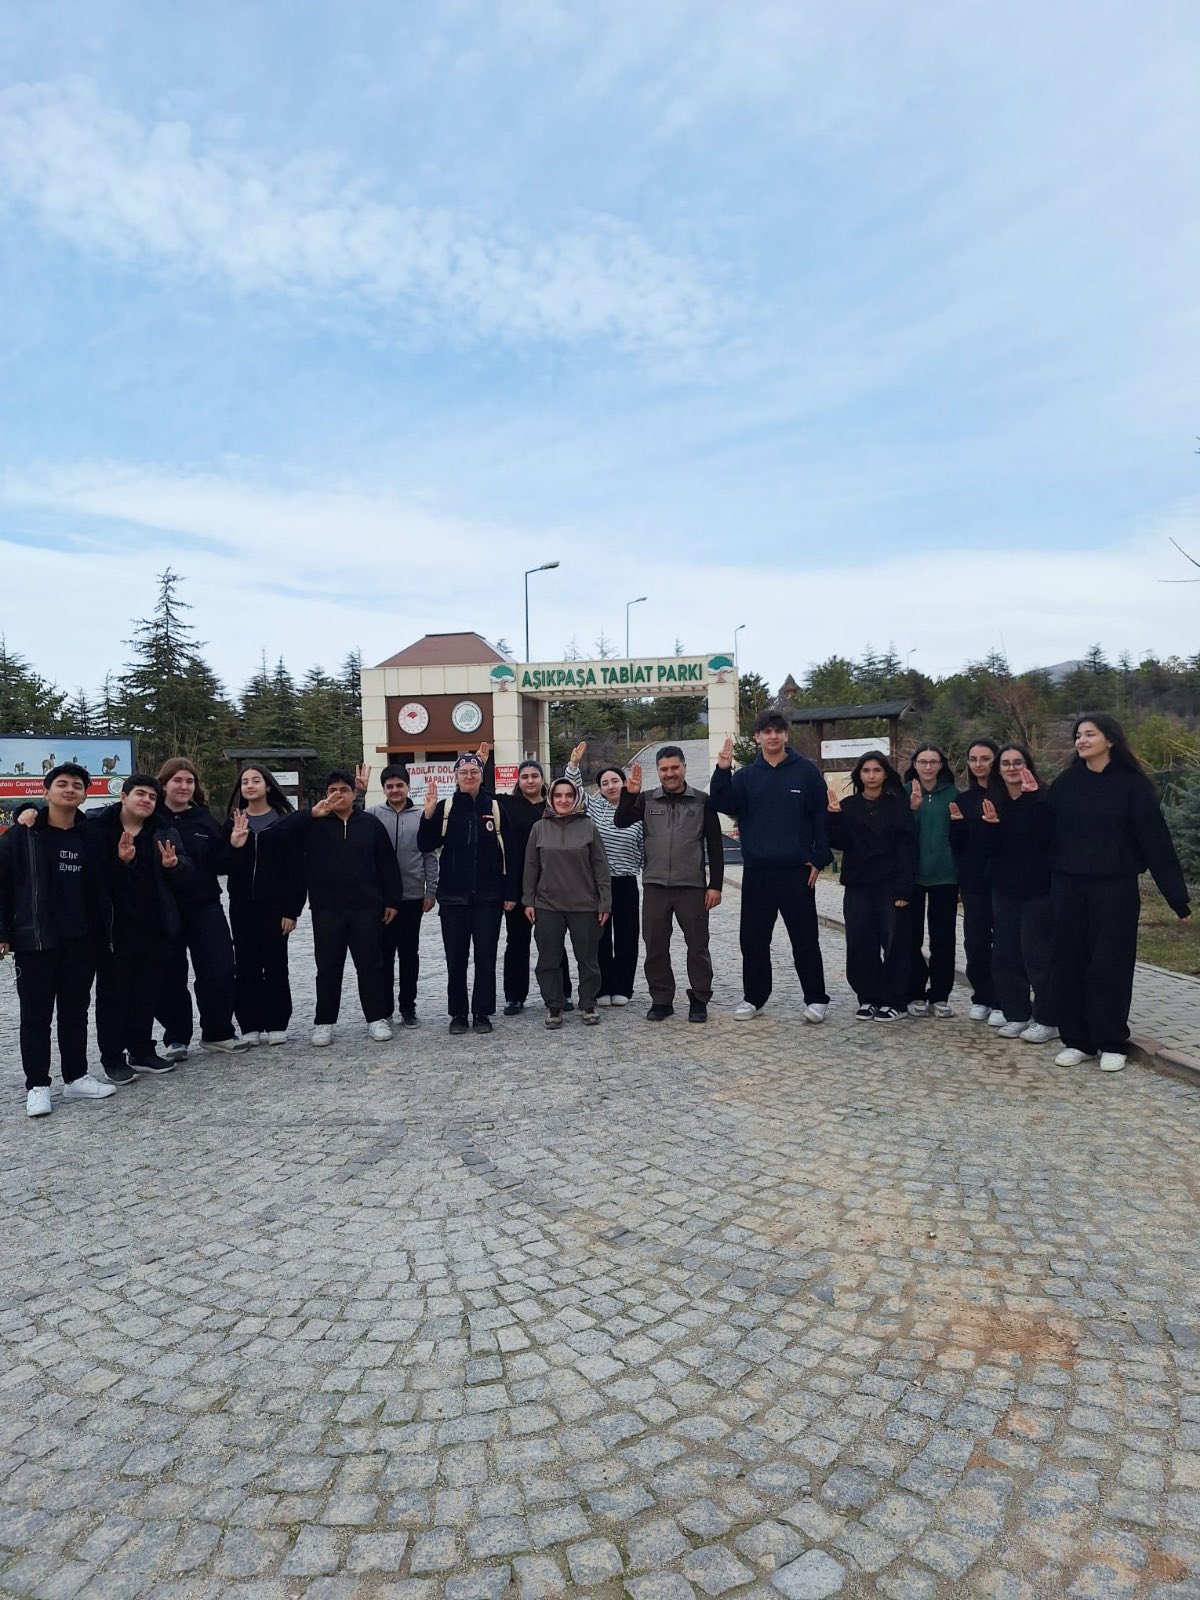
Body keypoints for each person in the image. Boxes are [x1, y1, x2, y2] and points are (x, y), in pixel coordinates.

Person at [1047, 713, 1191, 1073]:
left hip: (1115, 889)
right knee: (1070, 961)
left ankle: (1111, 1040)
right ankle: (1077, 1040)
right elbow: (1044, 837)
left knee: (1109, 963)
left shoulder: (1133, 786)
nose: (1081, 740)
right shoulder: (1065, 785)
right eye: (1078, 735)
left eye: (1089, 734)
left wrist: (1176, 896)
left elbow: (1155, 842)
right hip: (1068, 886)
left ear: (1110, 740)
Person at [0, 763, 117, 1116]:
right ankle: (37, 1084)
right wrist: (3, 932)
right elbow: (3, 887)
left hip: (82, 940)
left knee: (75, 1011)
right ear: (47, 791)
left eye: (77, 785)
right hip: (36, 941)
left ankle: (76, 1076)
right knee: (35, 1015)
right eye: (62, 784)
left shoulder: (91, 835)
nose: (70, 790)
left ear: (84, 794)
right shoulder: (22, 835)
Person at [711, 713, 831, 1022]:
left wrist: (819, 858)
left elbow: (821, 817)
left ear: (787, 736)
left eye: (778, 731)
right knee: (753, 940)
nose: (773, 736)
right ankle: (754, 997)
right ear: (757, 737)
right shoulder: (747, 776)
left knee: (805, 939)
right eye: (766, 731)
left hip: (797, 872)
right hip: (758, 872)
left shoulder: (806, 772)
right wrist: (723, 770)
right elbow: (723, 802)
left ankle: (816, 998)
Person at [277, 770, 404, 1046]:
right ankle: (324, 1022)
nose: (339, 794)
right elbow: (279, 834)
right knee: (328, 968)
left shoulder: (370, 824)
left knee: (370, 965)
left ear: (353, 793)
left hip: (366, 909)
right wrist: (310, 813)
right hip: (327, 909)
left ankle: (376, 1018)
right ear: (326, 794)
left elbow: (387, 865)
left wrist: (392, 900)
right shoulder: (313, 826)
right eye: (332, 789)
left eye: (344, 789)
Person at [615, 744, 723, 1023]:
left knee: (697, 945)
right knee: (655, 945)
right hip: (655, 886)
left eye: (674, 767)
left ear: (684, 767)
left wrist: (716, 885)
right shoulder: (647, 799)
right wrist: (630, 794)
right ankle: (661, 1000)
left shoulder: (702, 800)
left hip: (692, 887)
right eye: (664, 769)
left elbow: (715, 844)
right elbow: (621, 820)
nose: (670, 773)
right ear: (659, 771)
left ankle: (699, 998)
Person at [94, 775, 191, 1081]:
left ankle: (141, 1049)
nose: (147, 800)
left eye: (152, 796)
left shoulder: (163, 830)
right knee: (113, 995)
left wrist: (175, 866)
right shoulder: (97, 828)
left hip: (154, 924)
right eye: (140, 794)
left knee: (146, 992)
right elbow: (92, 878)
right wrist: (121, 862)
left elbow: (185, 871)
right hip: (113, 928)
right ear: (123, 796)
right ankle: (112, 1056)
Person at [417, 753, 519, 1034]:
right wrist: (427, 816)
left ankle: (482, 1012)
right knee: (456, 958)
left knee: (486, 956)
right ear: (456, 776)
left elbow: (509, 851)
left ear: (481, 775)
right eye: (464, 772)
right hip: (453, 898)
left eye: (474, 771)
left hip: (489, 897)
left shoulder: (495, 808)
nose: (469, 776)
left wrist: (510, 891)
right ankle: (458, 1014)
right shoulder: (445, 807)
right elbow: (425, 844)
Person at [155, 758, 249, 1060]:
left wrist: (234, 844)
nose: (184, 786)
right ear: (164, 783)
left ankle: (218, 1033)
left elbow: (222, 864)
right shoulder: (150, 817)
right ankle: (176, 1039)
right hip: (164, 909)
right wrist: (31, 810)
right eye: (177, 780)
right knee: (170, 974)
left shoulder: (204, 819)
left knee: (219, 968)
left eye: (189, 781)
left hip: (205, 904)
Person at [825, 751, 915, 1022]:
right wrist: (833, 817)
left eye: (877, 770)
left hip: (890, 886)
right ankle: (868, 997)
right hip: (858, 885)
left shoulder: (898, 806)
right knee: (860, 942)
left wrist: (903, 889)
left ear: (885, 773)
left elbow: (907, 849)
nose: (871, 775)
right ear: (859, 775)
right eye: (866, 771)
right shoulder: (849, 805)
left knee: (895, 942)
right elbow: (840, 843)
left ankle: (895, 1000)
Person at [481, 750, 572, 1016]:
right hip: (519, 885)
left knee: (554, 942)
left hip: (553, 886)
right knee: (517, 942)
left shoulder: (555, 806)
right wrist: (481, 765)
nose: (530, 781)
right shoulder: (508, 805)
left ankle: (561, 992)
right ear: (518, 781)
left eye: (534, 776)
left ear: (543, 779)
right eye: (524, 776)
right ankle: (514, 996)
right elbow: (482, 795)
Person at [981, 746, 1058, 1044]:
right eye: (1006, 763)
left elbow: (1049, 837)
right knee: (1005, 953)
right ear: (998, 769)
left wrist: (1032, 798)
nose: (1012, 768)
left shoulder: (1043, 798)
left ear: (1028, 765)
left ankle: (1048, 1018)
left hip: (1039, 889)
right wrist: (989, 829)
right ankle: (1017, 1013)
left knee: (1037, 955)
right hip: (1005, 889)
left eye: (1018, 762)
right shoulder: (994, 802)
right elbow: (988, 850)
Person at [225, 764, 305, 1045]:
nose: (249, 785)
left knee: (275, 963)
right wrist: (235, 844)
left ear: (268, 786)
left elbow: (297, 870)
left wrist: (291, 910)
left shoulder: (285, 821)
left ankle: (277, 1023)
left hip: (276, 907)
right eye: (245, 781)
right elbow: (224, 866)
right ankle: (249, 1024)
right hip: (242, 905)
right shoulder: (233, 821)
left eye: (256, 780)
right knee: (245, 964)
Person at [523, 777, 611, 1027]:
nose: (563, 800)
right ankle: (554, 1006)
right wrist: (528, 900)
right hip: (547, 905)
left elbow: (600, 867)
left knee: (587, 958)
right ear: (550, 798)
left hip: (584, 905)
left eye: (568, 795)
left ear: (576, 798)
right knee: (548, 959)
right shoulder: (539, 828)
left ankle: (588, 1003)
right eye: (558, 795)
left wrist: (605, 902)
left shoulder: (588, 826)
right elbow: (530, 867)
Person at [564, 741, 644, 1005]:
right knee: (598, 937)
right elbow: (574, 790)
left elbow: (644, 844)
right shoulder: (595, 807)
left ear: (624, 782)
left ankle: (623, 988)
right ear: (599, 789)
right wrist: (573, 765)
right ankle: (602, 987)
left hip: (626, 882)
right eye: (605, 783)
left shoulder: (637, 809)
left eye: (615, 780)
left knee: (626, 935)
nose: (610, 786)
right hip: (598, 883)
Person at [368, 763, 439, 1027]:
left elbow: (429, 856)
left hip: (411, 896)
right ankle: (384, 1009)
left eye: (399, 785)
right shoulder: (373, 814)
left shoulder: (421, 816)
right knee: (383, 954)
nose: (395, 790)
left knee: (409, 954)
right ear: (384, 789)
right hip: (381, 898)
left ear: (408, 786)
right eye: (389, 786)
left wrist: (431, 890)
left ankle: (408, 1007)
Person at [904, 744, 960, 1018]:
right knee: (910, 936)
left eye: (933, 762)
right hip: (912, 877)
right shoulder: (903, 792)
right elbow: (899, 834)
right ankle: (915, 992)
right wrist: (912, 809)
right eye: (922, 761)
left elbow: (960, 835)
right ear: (914, 764)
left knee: (943, 938)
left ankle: (940, 995)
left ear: (941, 765)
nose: (927, 767)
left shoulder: (953, 794)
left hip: (945, 876)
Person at [949, 738, 1003, 1024]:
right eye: (973, 759)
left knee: (1006, 943)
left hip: (1005, 880)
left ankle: (1003, 999)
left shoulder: (1007, 794)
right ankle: (981, 995)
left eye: (985, 758)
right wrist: (957, 826)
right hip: (974, 881)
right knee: (976, 942)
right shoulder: (963, 799)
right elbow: (958, 846)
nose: (979, 764)